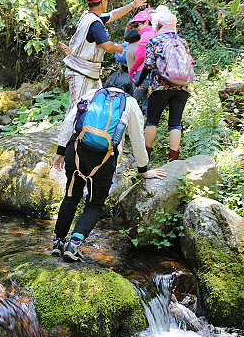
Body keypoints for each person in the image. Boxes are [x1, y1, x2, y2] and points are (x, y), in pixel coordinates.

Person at [51, 71, 167, 262]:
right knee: (95, 204)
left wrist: (60, 151)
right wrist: (144, 170)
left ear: (108, 82)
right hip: (104, 159)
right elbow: (137, 138)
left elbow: (69, 121)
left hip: (76, 151)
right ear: (129, 88)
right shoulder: (129, 102)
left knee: (71, 196)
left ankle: (58, 242)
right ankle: (74, 244)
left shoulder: (92, 94)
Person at [61, 0, 147, 112]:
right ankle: (69, 132)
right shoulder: (95, 23)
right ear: (102, 2)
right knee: (76, 109)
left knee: (94, 106)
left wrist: (133, 5)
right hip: (81, 72)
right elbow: (107, 46)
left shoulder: (88, 16)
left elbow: (113, 15)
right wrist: (118, 48)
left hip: (88, 72)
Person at [135, 12, 192, 162]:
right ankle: (173, 159)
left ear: (159, 26)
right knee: (175, 122)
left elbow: (148, 65)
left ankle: (145, 156)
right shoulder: (183, 42)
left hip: (159, 87)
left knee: (152, 120)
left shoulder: (155, 40)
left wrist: (139, 81)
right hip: (182, 88)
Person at [128, 9, 158, 115]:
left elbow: (142, 56)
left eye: (137, 25)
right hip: (151, 74)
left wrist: (132, 70)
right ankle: (147, 127)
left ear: (146, 22)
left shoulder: (146, 35)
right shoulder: (153, 34)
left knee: (129, 101)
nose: (136, 28)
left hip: (143, 73)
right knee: (147, 104)